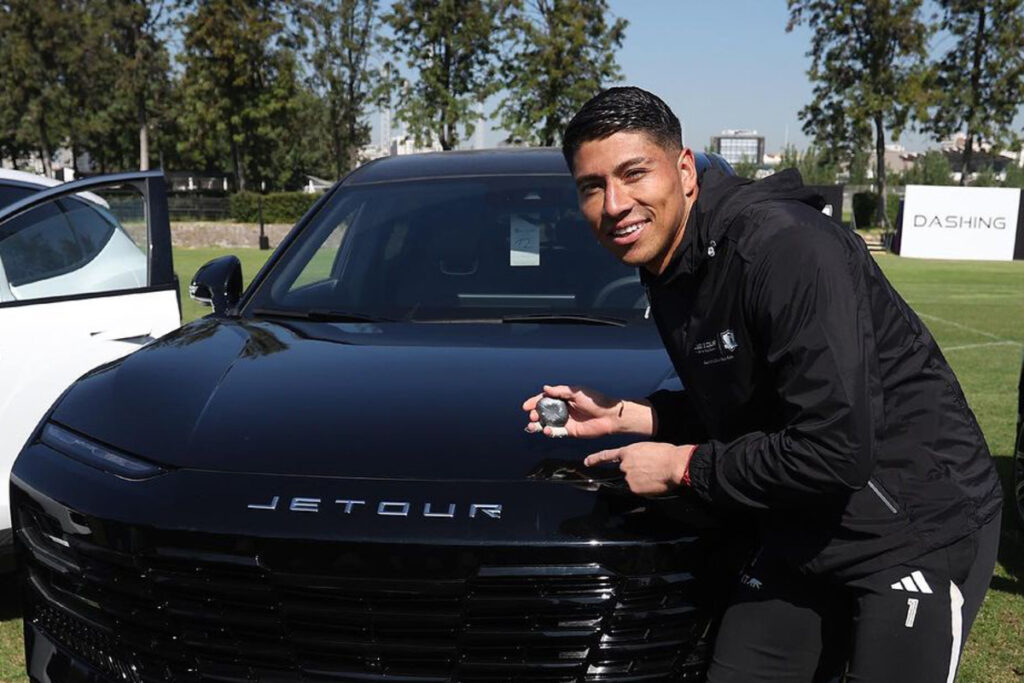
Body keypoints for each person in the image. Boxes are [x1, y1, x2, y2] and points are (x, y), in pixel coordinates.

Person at [522, 87, 1002, 682]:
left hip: (914, 524)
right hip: (802, 522)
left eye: (633, 173)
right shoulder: (669, 267)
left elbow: (834, 449)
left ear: (685, 169)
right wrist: (629, 415)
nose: (615, 203)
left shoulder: (785, 248)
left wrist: (682, 467)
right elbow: (751, 407)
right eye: (592, 187)